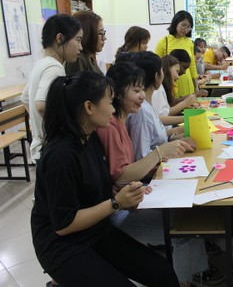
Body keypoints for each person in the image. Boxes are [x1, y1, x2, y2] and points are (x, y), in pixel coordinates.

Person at [31, 71, 180, 287]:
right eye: (109, 103)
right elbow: (64, 225)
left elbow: (98, 184)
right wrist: (117, 202)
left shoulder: (89, 138)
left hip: (95, 230)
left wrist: (129, 194)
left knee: (162, 273)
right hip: (62, 245)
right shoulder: (60, 155)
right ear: (89, 107)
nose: (113, 109)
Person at [125, 52, 222, 287]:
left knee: (200, 188)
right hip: (149, 184)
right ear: (158, 75)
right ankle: (188, 277)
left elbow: (157, 138)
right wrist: (166, 156)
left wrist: (176, 135)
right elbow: (141, 157)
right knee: (188, 215)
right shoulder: (140, 113)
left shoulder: (146, 106)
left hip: (160, 172)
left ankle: (197, 267)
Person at [96, 61, 191, 189]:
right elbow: (120, 178)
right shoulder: (110, 126)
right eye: (136, 90)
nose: (142, 96)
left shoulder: (121, 121)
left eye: (142, 89)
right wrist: (160, 152)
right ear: (117, 93)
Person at [21, 13, 83, 163]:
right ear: (60, 38)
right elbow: (41, 105)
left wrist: (39, 125)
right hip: (49, 149)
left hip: (40, 146)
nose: (80, 47)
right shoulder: (55, 68)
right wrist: (61, 127)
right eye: (78, 40)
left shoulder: (41, 63)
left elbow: (25, 98)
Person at [154, 10, 198, 97]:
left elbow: (192, 65)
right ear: (176, 23)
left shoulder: (189, 42)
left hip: (187, 80)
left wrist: (196, 86)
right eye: (183, 25)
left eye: (189, 27)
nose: (185, 29)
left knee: (188, 107)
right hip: (170, 82)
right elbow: (156, 64)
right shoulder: (164, 41)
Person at [65, 11, 106, 75]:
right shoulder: (78, 59)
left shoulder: (89, 57)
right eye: (100, 33)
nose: (104, 38)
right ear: (88, 34)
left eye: (104, 33)